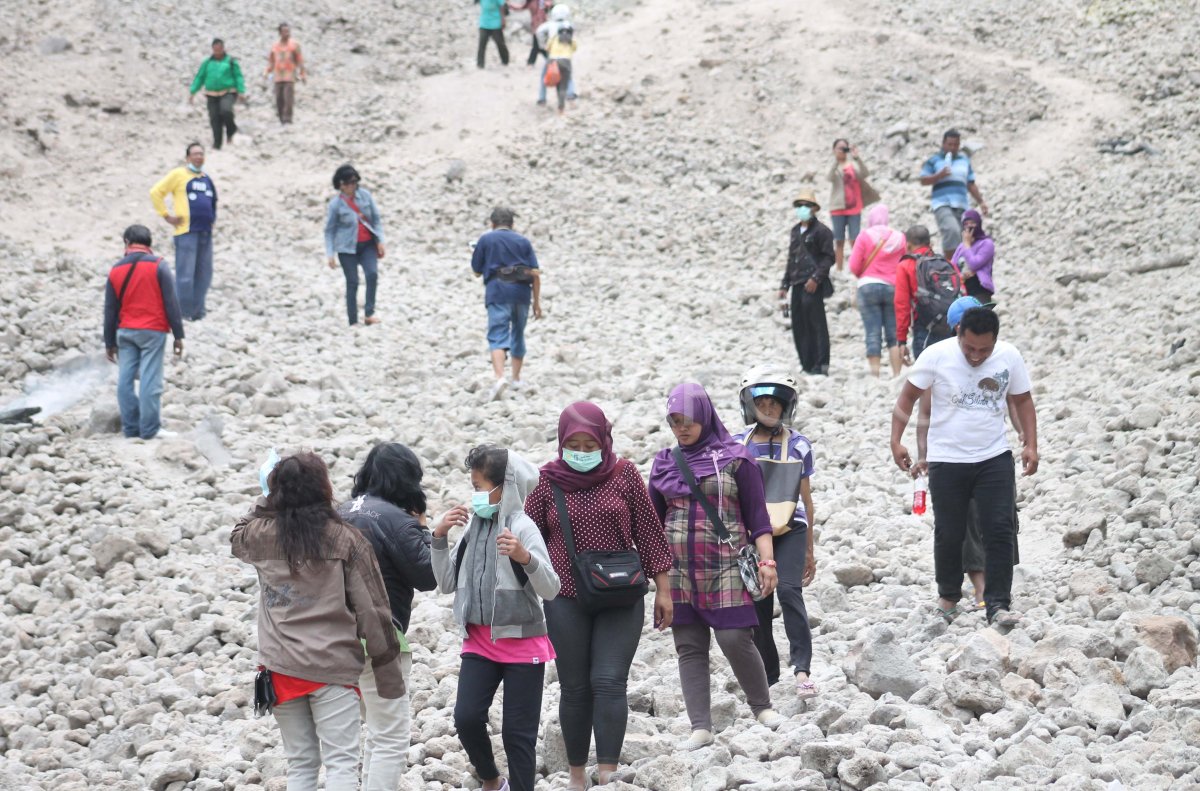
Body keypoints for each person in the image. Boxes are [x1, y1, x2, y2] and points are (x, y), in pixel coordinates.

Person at [231, 452, 406, 791]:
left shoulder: (260, 534)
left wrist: (267, 495)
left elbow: (237, 533)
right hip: (333, 666)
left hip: (279, 669)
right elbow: (374, 610)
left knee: (301, 764)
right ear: (323, 488)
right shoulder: (346, 539)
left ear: (276, 491)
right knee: (341, 762)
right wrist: (388, 676)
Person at [525, 402, 674, 789]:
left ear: (603, 441)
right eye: (572, 443)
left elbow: (650, 533)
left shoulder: (624, 474)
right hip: (565, 597)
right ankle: (576, 775)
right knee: (575, 687)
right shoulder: (545, 481)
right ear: (561, 442)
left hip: (621, 596)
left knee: (609, 682)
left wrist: (665, 591)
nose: (581, 451)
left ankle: (608, 774)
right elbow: (529, 540)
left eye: (589, 444)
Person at [648, 383, 785, 750]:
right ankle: (700, 726)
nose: (682, 428)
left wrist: (768, 562)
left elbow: (759, 518)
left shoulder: (737, 458)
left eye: (688, 420)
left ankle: (762, 707)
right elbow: (652, 522)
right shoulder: (664, 463)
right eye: (674, 421)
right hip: (679, 570)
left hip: (724, 564)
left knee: (734, 636)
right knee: (689, 646)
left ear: (705, 416)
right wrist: (656, 577)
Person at [890, 307, 1038, 626]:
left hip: (993, 456)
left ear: (995, 342)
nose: (975, 356)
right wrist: (896, 441)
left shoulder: (1009, 357)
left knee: (999, 529)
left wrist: (1031, 445)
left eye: (984, 350)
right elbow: (907, 398)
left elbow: (1023, 400)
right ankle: (948, 595)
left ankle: (998, 601)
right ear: (958, 335)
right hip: (947, 459)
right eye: (969, 348)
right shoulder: (936, 355)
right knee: (949, 530)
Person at [432, 446, 560, 791]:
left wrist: (524, 557)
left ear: (505, 486)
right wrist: (439, 536)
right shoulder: (475, 526)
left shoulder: (524, 527)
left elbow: (550, 588)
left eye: (479, 486)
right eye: (472, 486)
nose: (475, 495)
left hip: (522, 644)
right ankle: (491, 778)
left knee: (518, 734)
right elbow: (445, 583)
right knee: (466, 717)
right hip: (479, 641)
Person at [338, 443, 441, 791]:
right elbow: (429, 576)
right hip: (379, 642)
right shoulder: (398, 520)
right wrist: (425, 529)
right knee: (389, 737)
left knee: (348, 741)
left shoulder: (335, 514)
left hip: (327, 640)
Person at [915, 297, 1023, 613]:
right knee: (974, 526)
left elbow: (1014, 402)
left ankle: (987, 592)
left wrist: (1026, 439)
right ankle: (981, 591)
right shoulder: (940, 361)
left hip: (988, 454)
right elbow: (926, 411)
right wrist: (925, 456)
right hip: (953, 458)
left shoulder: (996, 357)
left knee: (988, 524)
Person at [732, 368, 818, 697]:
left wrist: (810, 548)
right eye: (762, 402)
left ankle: (802, 670)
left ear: (786, 406)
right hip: (752, 531)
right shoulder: (737, 444)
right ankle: (767, 675)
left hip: (791, 527)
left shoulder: (799, 445)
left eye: (775, 403)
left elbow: (806, 499)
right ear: (750, 406)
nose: (768, 408)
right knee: (758, 602)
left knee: (790, 592)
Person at [103, 225, 184, 440]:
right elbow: (171, 303)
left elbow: (110, 309)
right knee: (150, 379)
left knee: (125, 379)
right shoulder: (159, 266)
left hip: (125, 331)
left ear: (127, 243)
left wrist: (108, 342)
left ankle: (130, 429)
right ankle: (149, 429)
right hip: (153, 332)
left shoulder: (116, 269)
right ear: (149, 244)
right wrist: (178, 334)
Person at [470, 207, 543, 399]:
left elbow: (476, 271)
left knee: (497, 334)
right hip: (521, 293)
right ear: (512, 224)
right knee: (518, 333)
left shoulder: (486, 239)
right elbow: (535, 273)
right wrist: (537, 303)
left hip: (498, 291)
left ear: (492, 224)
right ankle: (517, 378)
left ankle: (499, 377)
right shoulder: (523, 241)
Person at [150, 142, 218, 321]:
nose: (198, 157)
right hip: (186, 232)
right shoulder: (179, 174)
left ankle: (198, 311)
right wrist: (166, 216)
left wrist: (212, 220)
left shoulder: (206, 178)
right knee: (185, 275)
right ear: (187, 157)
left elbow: (213, 202)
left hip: (205, 232)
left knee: (204, 273)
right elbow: (156, 192)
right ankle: (182, 312)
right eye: (195, 154)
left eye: (201, 154)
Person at [777, 189, 835, 376]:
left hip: (812, 284)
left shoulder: (822, 231)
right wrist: (784, 284)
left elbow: (828, 258)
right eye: (800, 205)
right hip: (797, 282)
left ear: (814, 209)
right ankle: (807, 363)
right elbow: (791, 258)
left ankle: (821, 364)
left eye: (807, 205)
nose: (803, 209)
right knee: (799, 324)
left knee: (816, 323)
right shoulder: (795, 231)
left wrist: (816, 278)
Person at [848, 204, 906, 377]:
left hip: (868, 286)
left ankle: (875, 373)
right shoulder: (899, 237)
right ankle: (897, 374)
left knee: (872, 331)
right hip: (893, 287)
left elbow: (854, 265)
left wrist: (863, 274)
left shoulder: (864, 236)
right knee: (893, 332)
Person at [325, 165, 386, 326]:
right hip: (346, 248)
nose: (351, 186)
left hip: (367, 245)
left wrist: (380, 240)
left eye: (354, 182)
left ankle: (369, 313)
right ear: (340, 184)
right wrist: (330, 253)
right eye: (347, 183)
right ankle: (352, 320)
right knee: (352, 281)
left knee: (372, 274)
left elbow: (376, 219)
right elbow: (329, 230)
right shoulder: (335, 204)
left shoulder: (365, 196)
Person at [894, 224, 964, 363]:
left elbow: (902, 305)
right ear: (930, 243)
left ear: (907, 245)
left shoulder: (906, 265)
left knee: (926, 380)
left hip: (925, 328)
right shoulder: (946, 263)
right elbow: (962, 293)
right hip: (952, 329)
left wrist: (902, 340)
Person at [919, 129, 989, 259]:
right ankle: (949, 265)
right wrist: (939, 175)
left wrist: (981, 201)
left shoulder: (964, 161)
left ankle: (958, 267)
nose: (952, 147)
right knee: (951, 230)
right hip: (942, 202)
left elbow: (970, 183)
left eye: (955, 145)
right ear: (943, 144)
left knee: (964, 236)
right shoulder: (934, 160)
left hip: (961, 204)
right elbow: (923, 180)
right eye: (949, 144)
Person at [827, 140, 880, 272]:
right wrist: (836, 160)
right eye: (839, 148)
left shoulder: (853, 165)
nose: (842, 150)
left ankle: (857, 267)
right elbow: (829, 178)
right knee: (839, 240)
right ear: (834, 150)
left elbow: (865, 174)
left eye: (844, 148)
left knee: (854, 239)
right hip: (837, 209)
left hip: (854, 208)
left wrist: (857, 157)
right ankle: (839, 268)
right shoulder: (834, 166)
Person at [188, 38, 246, 150]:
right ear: (212, 49)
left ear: (223, 48)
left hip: (228, 92)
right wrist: (193, 91)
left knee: (226, 110)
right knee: (214, 118)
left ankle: (231, 131)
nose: (218, 52)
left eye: (220, 49)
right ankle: (217, 144)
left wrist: (241, 91)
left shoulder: (231, 61)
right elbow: (200, 77)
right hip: (212, 94)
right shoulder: (207, 63)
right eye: (215, 50)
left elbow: (238, 76)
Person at [264, 23, 306, 125]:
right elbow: (272, 61)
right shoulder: (275, 46)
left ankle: (287, 119)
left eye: (288, 31)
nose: (287, 33)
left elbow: (300, 60)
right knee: (279, 99)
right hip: (278, 76)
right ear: (280, 32)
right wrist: (267, 71)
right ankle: (281, 119)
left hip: (289, 75)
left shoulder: (294, 45)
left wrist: (302, 73)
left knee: (288, 98)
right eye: (284, 31)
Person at [951, 209, 995, 302]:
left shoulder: (986, 243)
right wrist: (961, 276)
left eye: (972, 223)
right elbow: (952, 267)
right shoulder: (961, 246)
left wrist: (967, 245)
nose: (969, 226)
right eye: (966, 224)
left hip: (980, 290)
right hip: (963, 291)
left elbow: (974, 264)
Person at [545, 23, 577, 115]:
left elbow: (547, 47)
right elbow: (575, 48)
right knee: (564, 85)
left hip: (553, 61)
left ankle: (560, 105)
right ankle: (561, 108)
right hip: (566, 62)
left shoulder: (554, 38)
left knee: (557, 84)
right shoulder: (571, 40)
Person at [477, 0, 510, 68]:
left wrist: (503, 20)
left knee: (500, 43)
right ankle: (480, 64)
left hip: (495, 23)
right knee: (482, 43)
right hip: (484, 23)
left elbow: (502, 7)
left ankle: (505, 61)